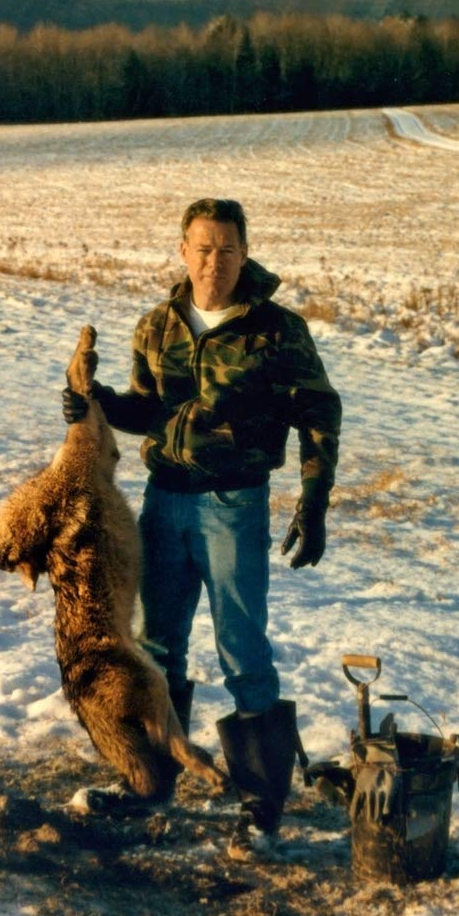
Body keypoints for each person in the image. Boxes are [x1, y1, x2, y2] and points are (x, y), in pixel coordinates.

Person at [62, 198, 342, 858]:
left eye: (226, 249)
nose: (213, 261)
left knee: (242, 648)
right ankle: (150, 779)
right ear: (182, 252)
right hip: (165, 503)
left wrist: (315, 499)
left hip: (233, 506)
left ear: (245, 254)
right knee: (157, 649)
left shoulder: (275, 330)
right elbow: (145, 409)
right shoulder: (158, 326)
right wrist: (91, 402)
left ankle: (259, 802)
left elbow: (320, 414)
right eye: (202, 248)